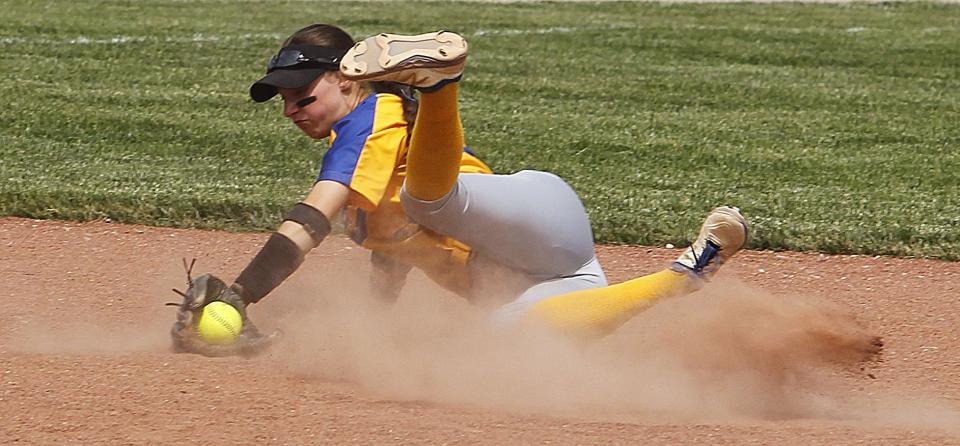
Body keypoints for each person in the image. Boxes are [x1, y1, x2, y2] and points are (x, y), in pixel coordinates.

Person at [170, 25, 748, 357]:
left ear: (348, 80)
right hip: (548, 273)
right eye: (284, 101)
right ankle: (687, 274)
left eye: (303, 93)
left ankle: (442, 85)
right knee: (510, 342)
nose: (292, 109)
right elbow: (391, 262)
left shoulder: (373, 114)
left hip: (532, 219)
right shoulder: (367, 169)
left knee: (429, 201)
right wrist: (364, 333)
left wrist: (241, 295)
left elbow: (309, 222)